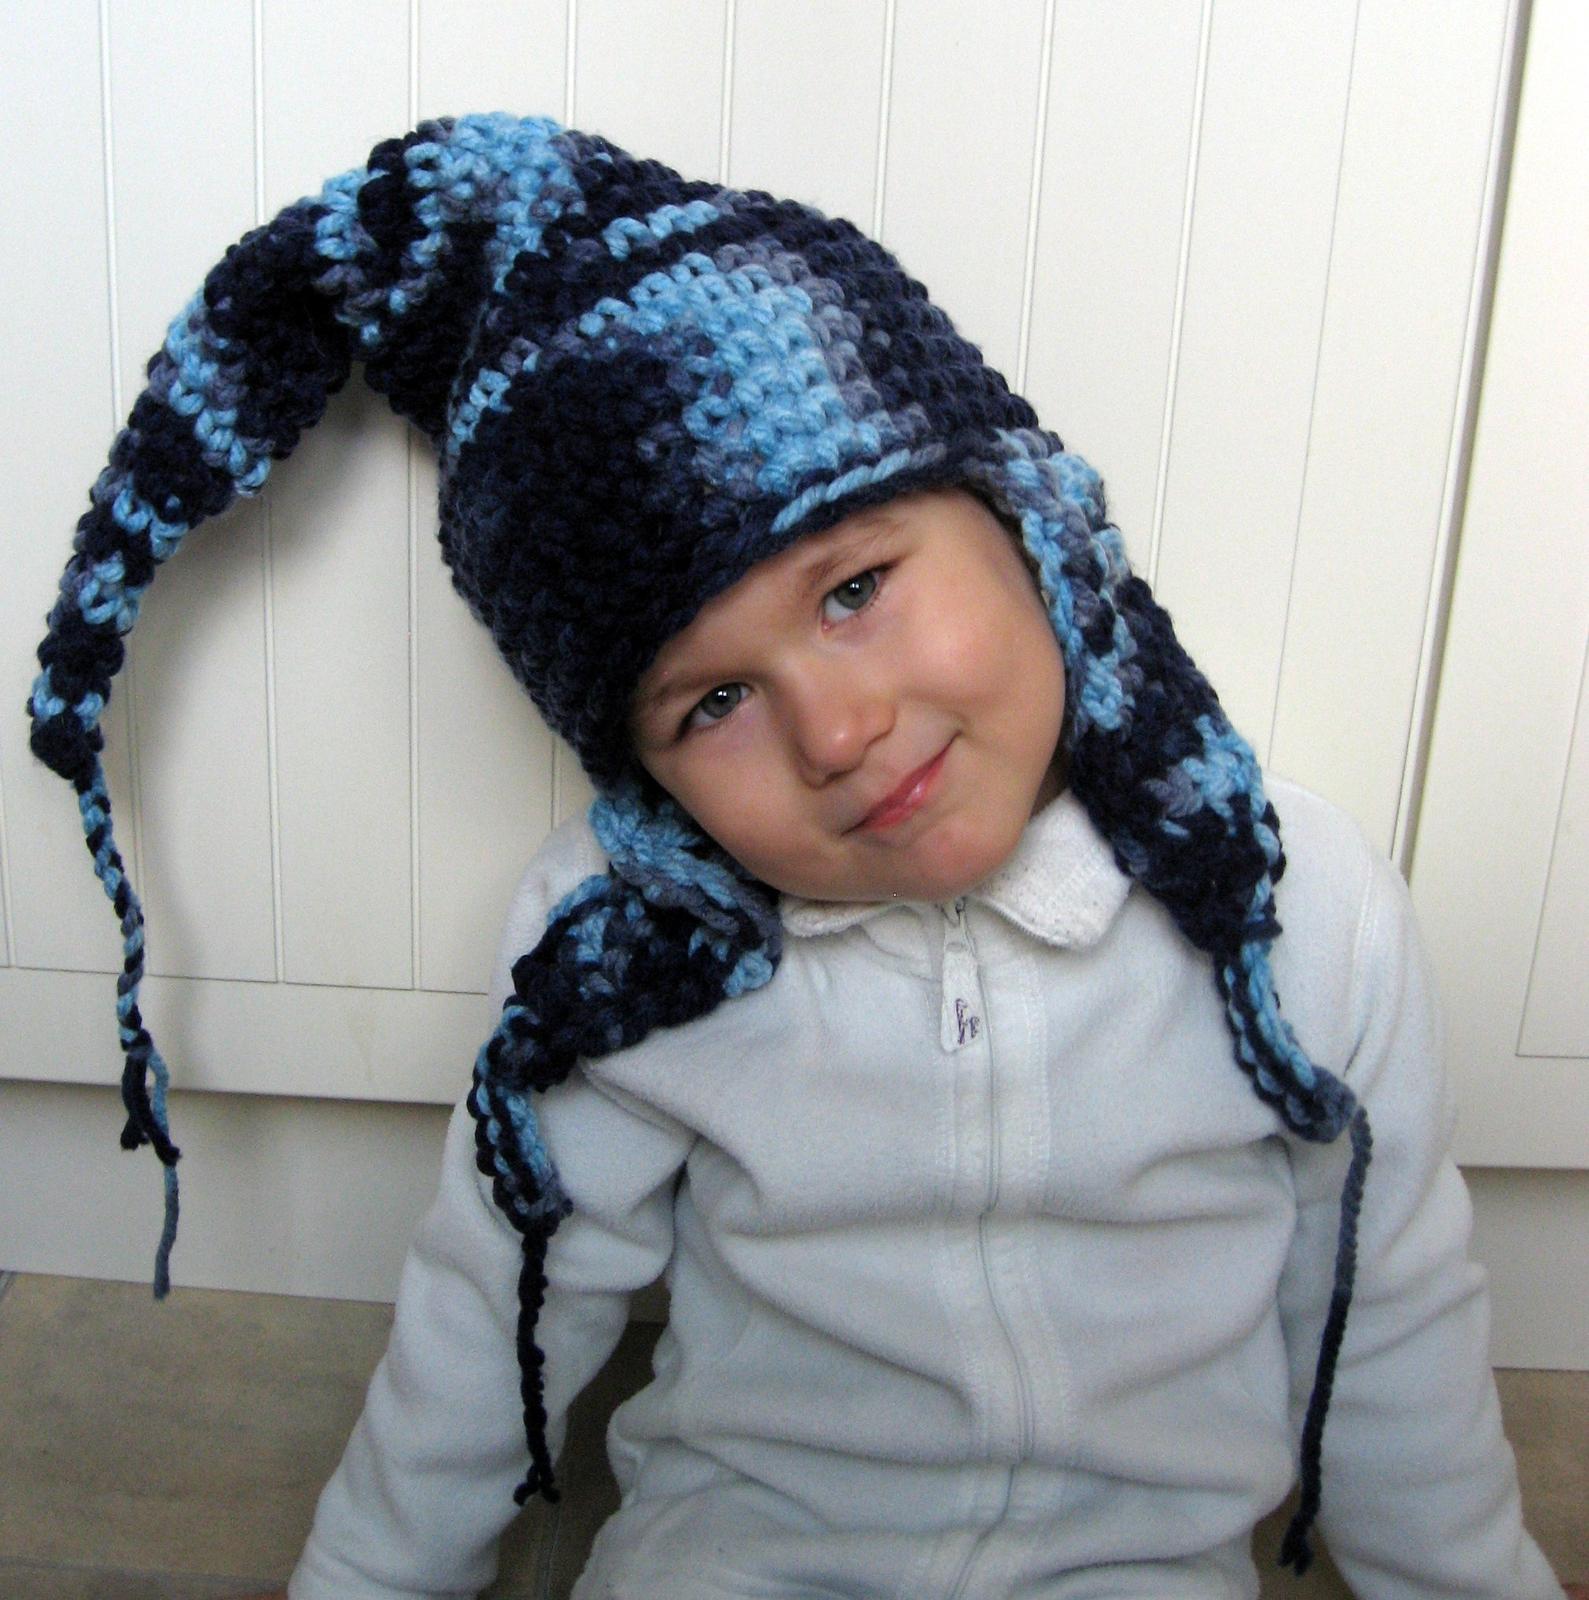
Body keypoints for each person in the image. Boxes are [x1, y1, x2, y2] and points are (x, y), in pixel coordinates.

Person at [27, 113, 1571, 1599]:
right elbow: (492, 1313)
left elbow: (1384, 1304)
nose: (836, 732)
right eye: (710, 703)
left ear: (1024, 514)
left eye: (852, 589)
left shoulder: (1292, 909)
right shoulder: (621, 951)